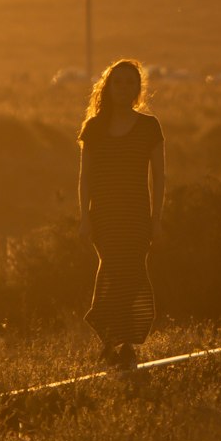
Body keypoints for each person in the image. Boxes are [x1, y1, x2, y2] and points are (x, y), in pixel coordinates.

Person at [78, 58, 165, 368]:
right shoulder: (94, 127)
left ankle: (124, 343)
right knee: (111, 273)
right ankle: (109, 339)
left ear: (138, 89)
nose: (124, 88)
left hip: (137, 215)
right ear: (108, 86)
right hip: (104, 215)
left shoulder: (148, 126)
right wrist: (84, 218)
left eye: (130, 83)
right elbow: (85, 176)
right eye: (118, 82)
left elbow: (159, 177)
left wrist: (156, 220)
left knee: (131, 275)